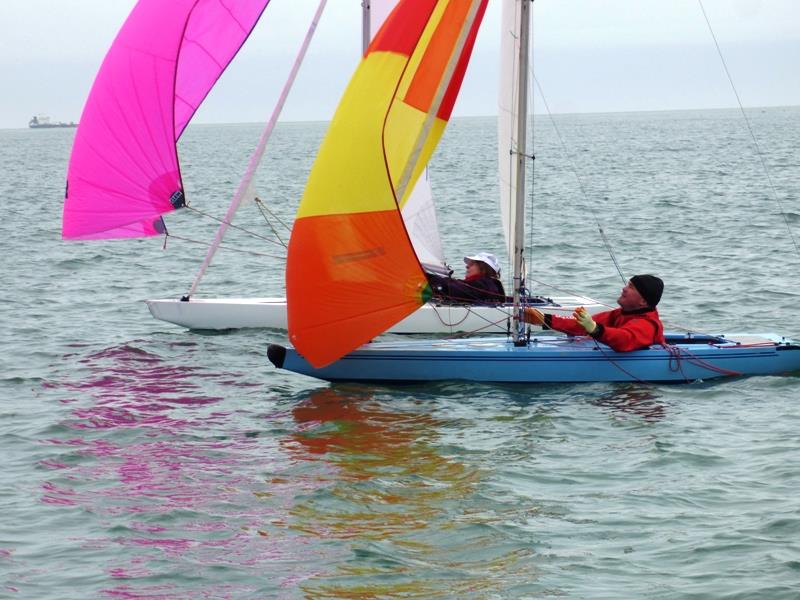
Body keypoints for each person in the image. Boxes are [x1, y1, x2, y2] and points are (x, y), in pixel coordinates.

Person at [522, 274, 665, 352]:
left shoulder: (647, 324)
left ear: (643, 302)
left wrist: (595, 329)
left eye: (631, 287)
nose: (624, 289)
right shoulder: (619, 314)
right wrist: (544, 319)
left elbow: (624, 340)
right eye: (627, 284)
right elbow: (579, 325)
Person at [425, 252, 506, 304]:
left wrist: (429, 278)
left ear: (483, 268)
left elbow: (459, 290)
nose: (467, 266)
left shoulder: (485, 285)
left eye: (472, 264)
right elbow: (459, 285)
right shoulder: (486, 284)